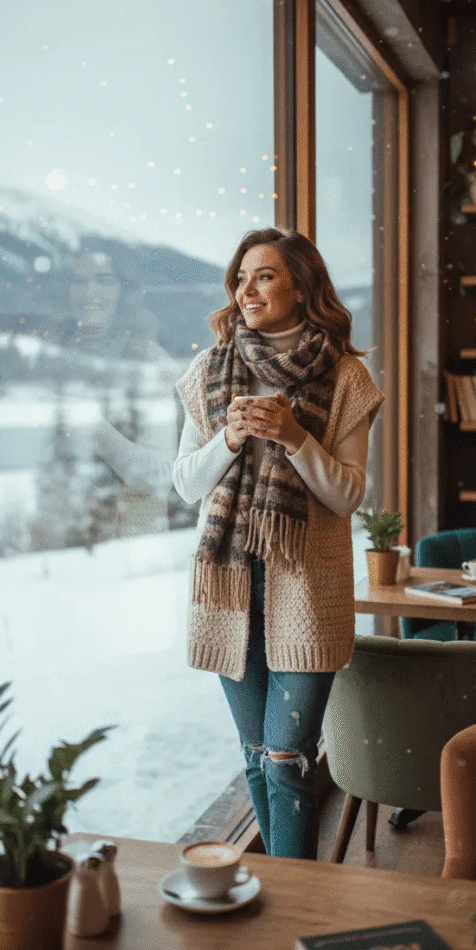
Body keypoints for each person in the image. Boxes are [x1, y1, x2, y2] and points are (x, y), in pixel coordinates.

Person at [172, 227, 384, 860]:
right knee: (256, 756)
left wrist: (295, 438)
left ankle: (296, 901)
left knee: (288, 756)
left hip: (307, 587)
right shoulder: (208, 373)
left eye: (264, 275)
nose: (248, 289)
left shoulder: (346, 379)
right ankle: (278, 893)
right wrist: (228, 441)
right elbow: (186, 483)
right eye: (241, 278)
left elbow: (348, 495)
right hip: (231, 585)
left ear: (301, 285)